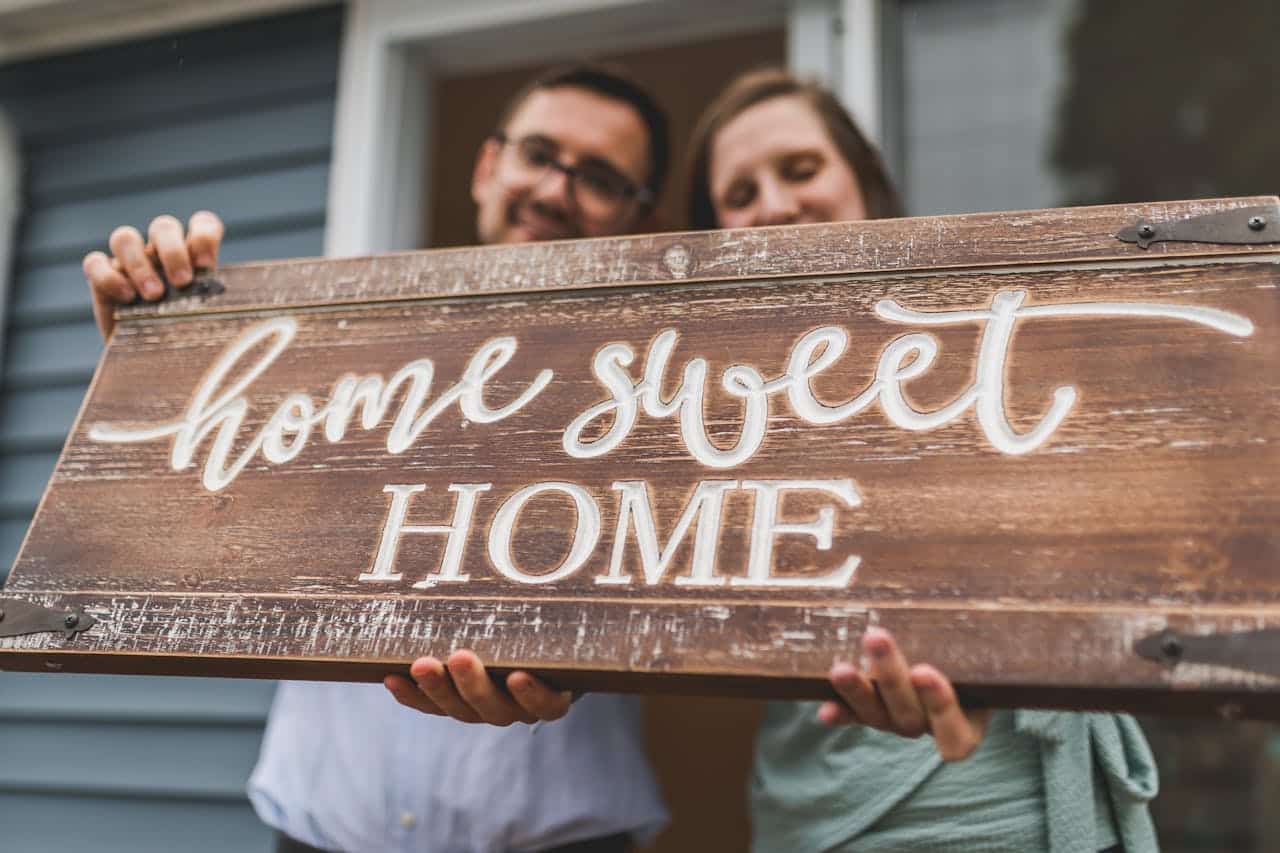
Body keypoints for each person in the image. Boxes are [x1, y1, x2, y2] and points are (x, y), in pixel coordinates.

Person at [82, 65, 672, 853]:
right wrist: (158, 362)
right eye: (539, 153)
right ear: (487, 166)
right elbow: (197, 504)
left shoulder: (675, 385)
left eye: (598, 177)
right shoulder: (335, 352)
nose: (557, 190)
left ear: (644, 215)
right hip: (315, 829)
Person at [684, 67, 1160, 853]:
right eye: (739, 194)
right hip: (817, 808)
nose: (773, 203)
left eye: (800, 170)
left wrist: (1002, 661)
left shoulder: (993, 334)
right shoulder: (695, 409)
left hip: (1014, 799)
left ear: (862, 180)